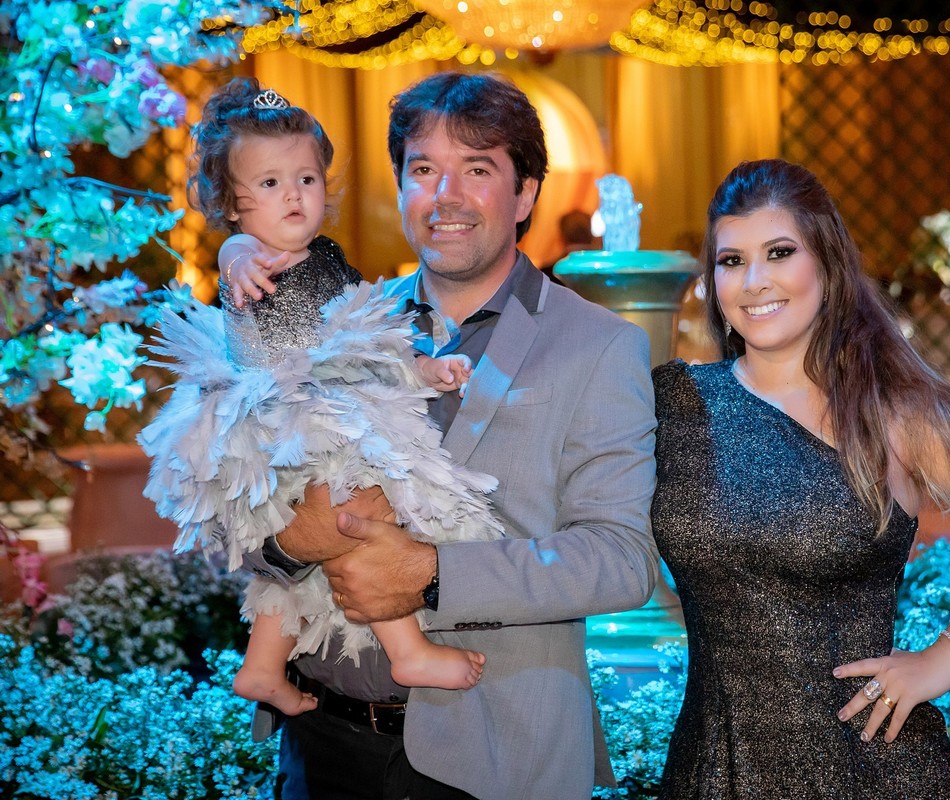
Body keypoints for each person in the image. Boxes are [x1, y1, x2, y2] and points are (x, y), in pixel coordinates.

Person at [239, 72, 659, 800]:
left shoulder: (600, 345)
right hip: (320, 737)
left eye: (478, 170)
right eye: (425, 169)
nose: (446, 196)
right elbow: (227, 483)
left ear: (525, 194)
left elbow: (621, 559)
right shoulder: (340, 322)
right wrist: (284, 545)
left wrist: (431, 573)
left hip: (498, 754)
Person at [650, 159, 950, 798]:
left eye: (779, 252)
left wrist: (943, 660)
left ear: (826, 263)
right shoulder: (674, 404)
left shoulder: (895, 410)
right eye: (731, 260)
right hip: (713, 766)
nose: (754, 280)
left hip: (864, 763)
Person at [140, 77, 504, 733]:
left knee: (322, 550)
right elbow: (235, 256)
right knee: (363, 517)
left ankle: (262, 664)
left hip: (322, 412)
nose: (294, 195)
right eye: (270, 183)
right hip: (286, 422)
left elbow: (365, 342)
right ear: (230, 204)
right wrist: (236, 256)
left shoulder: (329, 261)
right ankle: (407, 649)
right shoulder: (250, 255)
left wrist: (424, 369)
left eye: (306, 179)